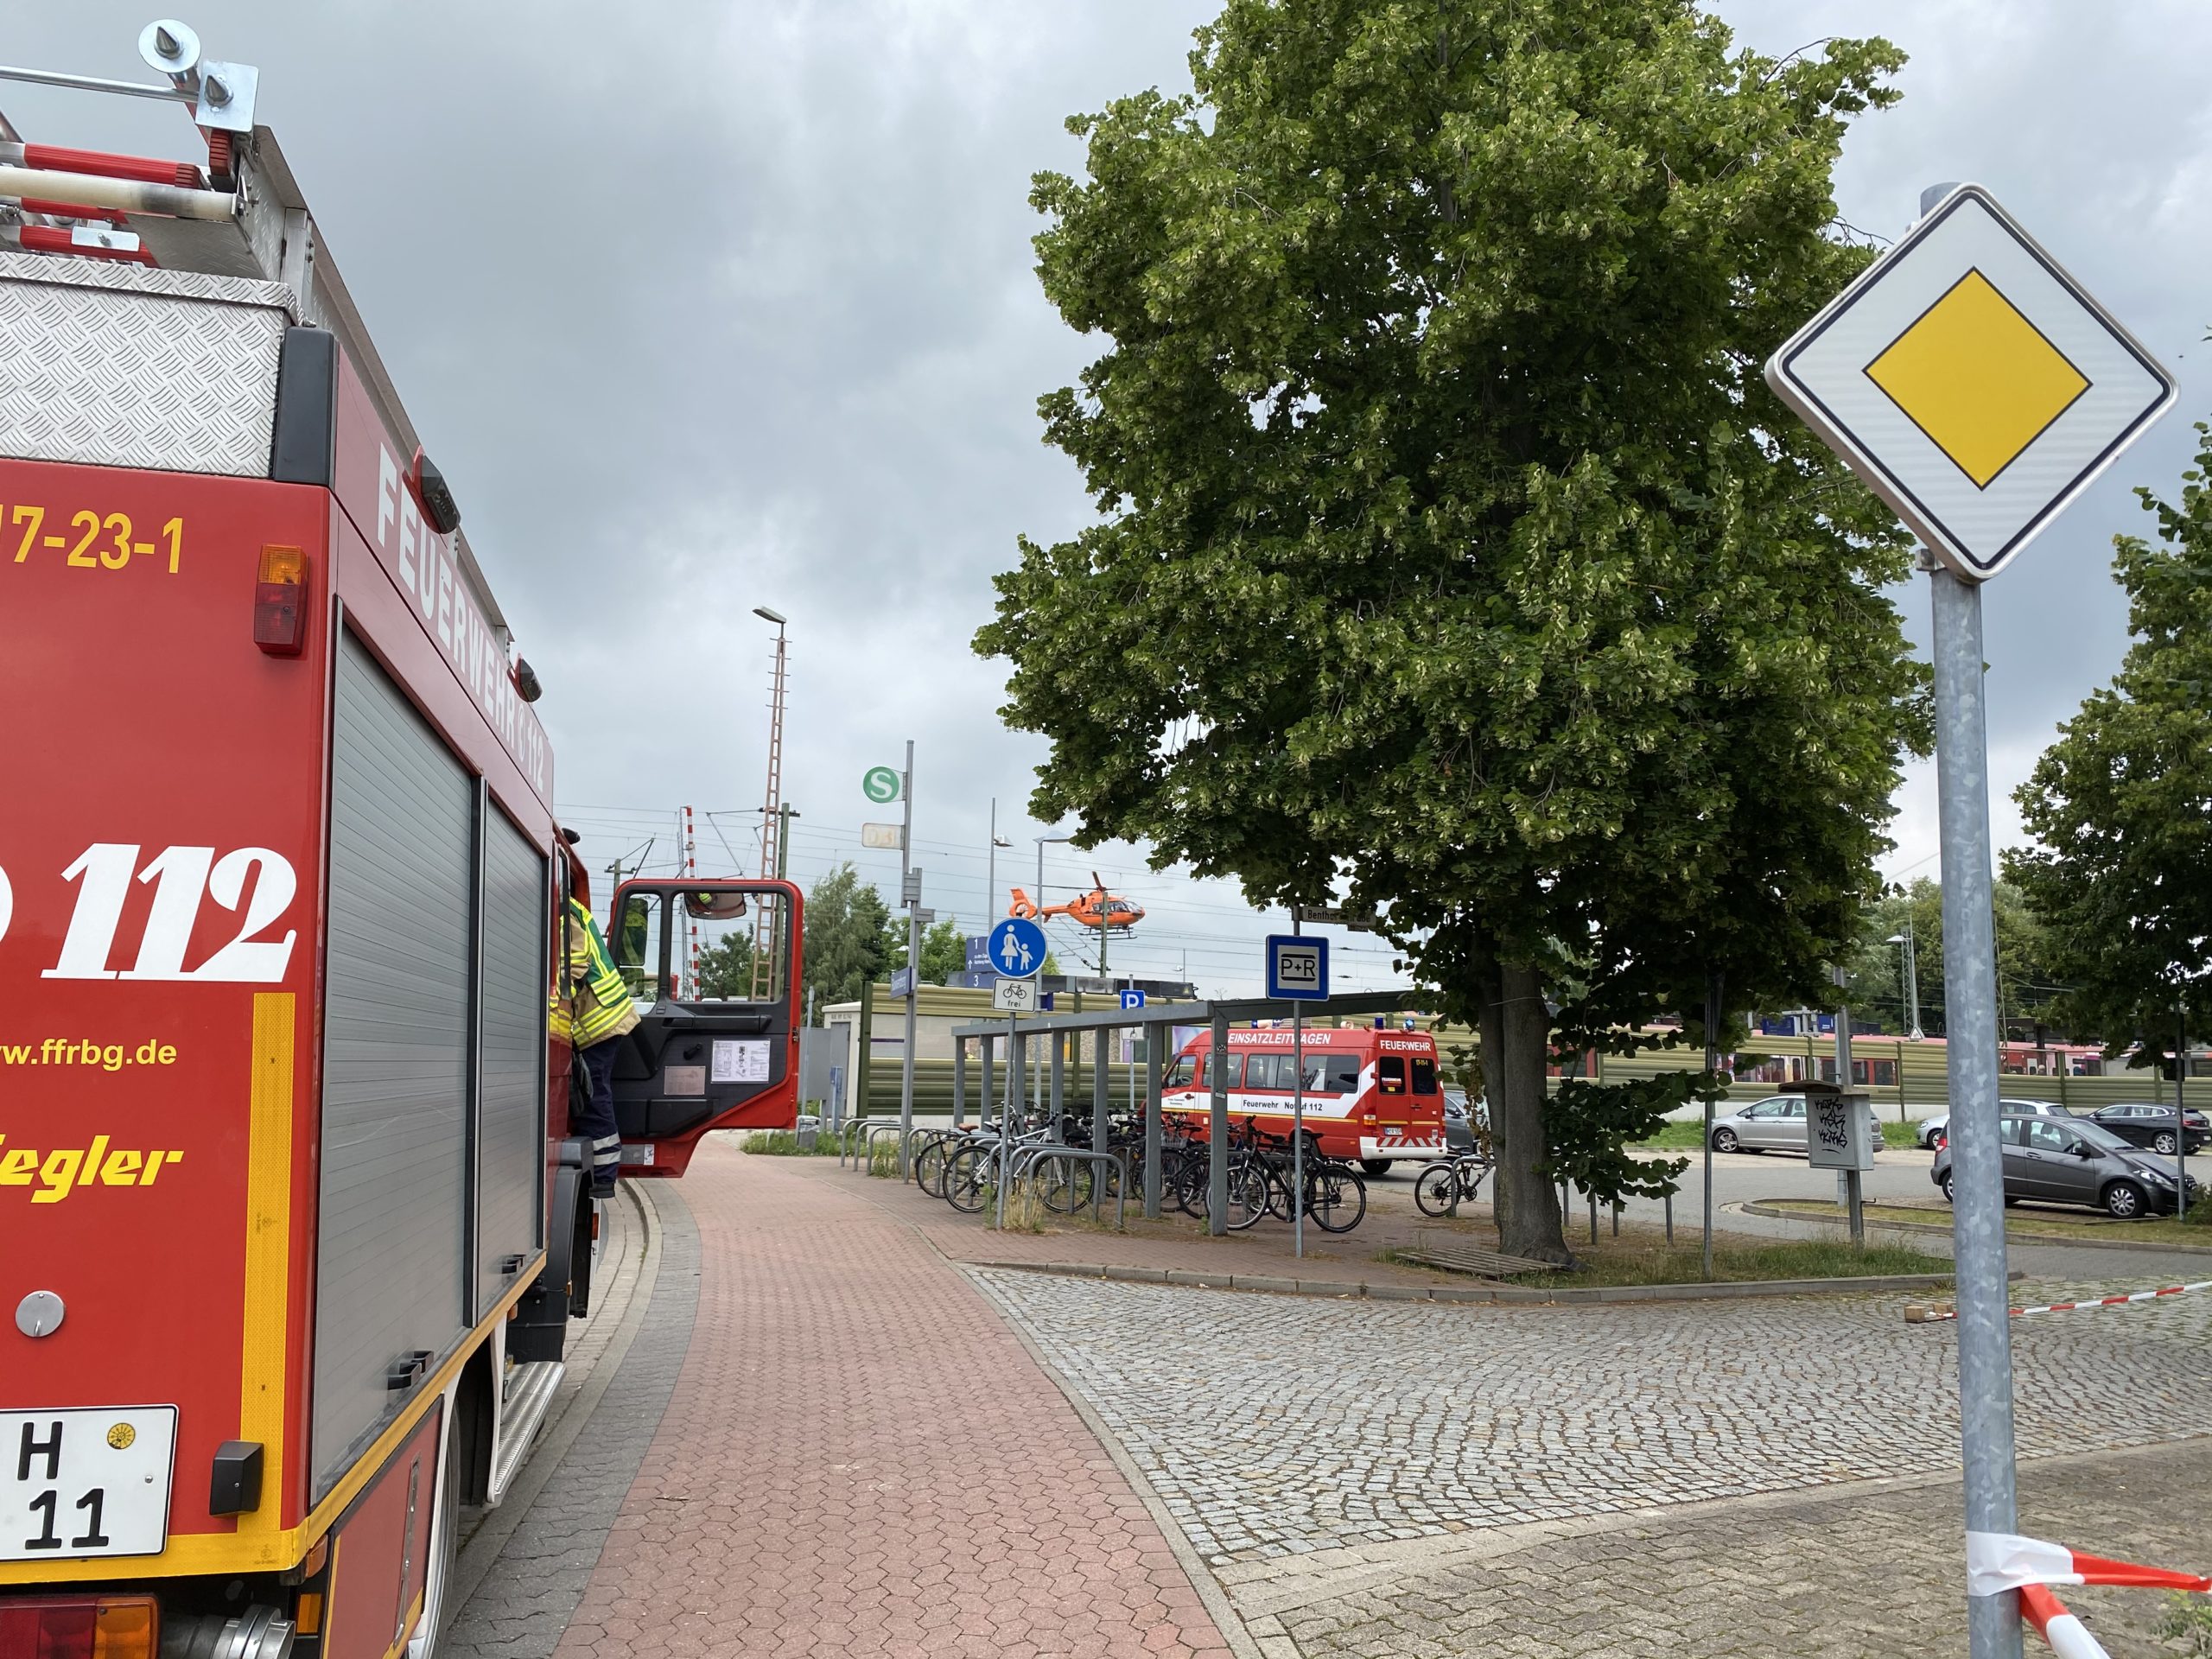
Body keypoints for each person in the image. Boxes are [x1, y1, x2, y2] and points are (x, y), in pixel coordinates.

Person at [557, 848, 639, 1198]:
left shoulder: (563, 914)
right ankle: (602, 1169)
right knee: (594, 1092)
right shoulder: (570, 907)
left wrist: (554, 1002)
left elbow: (573, 963)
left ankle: (604, 1174)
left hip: (600, 1022)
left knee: (592, 1095)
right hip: (606, 1017)